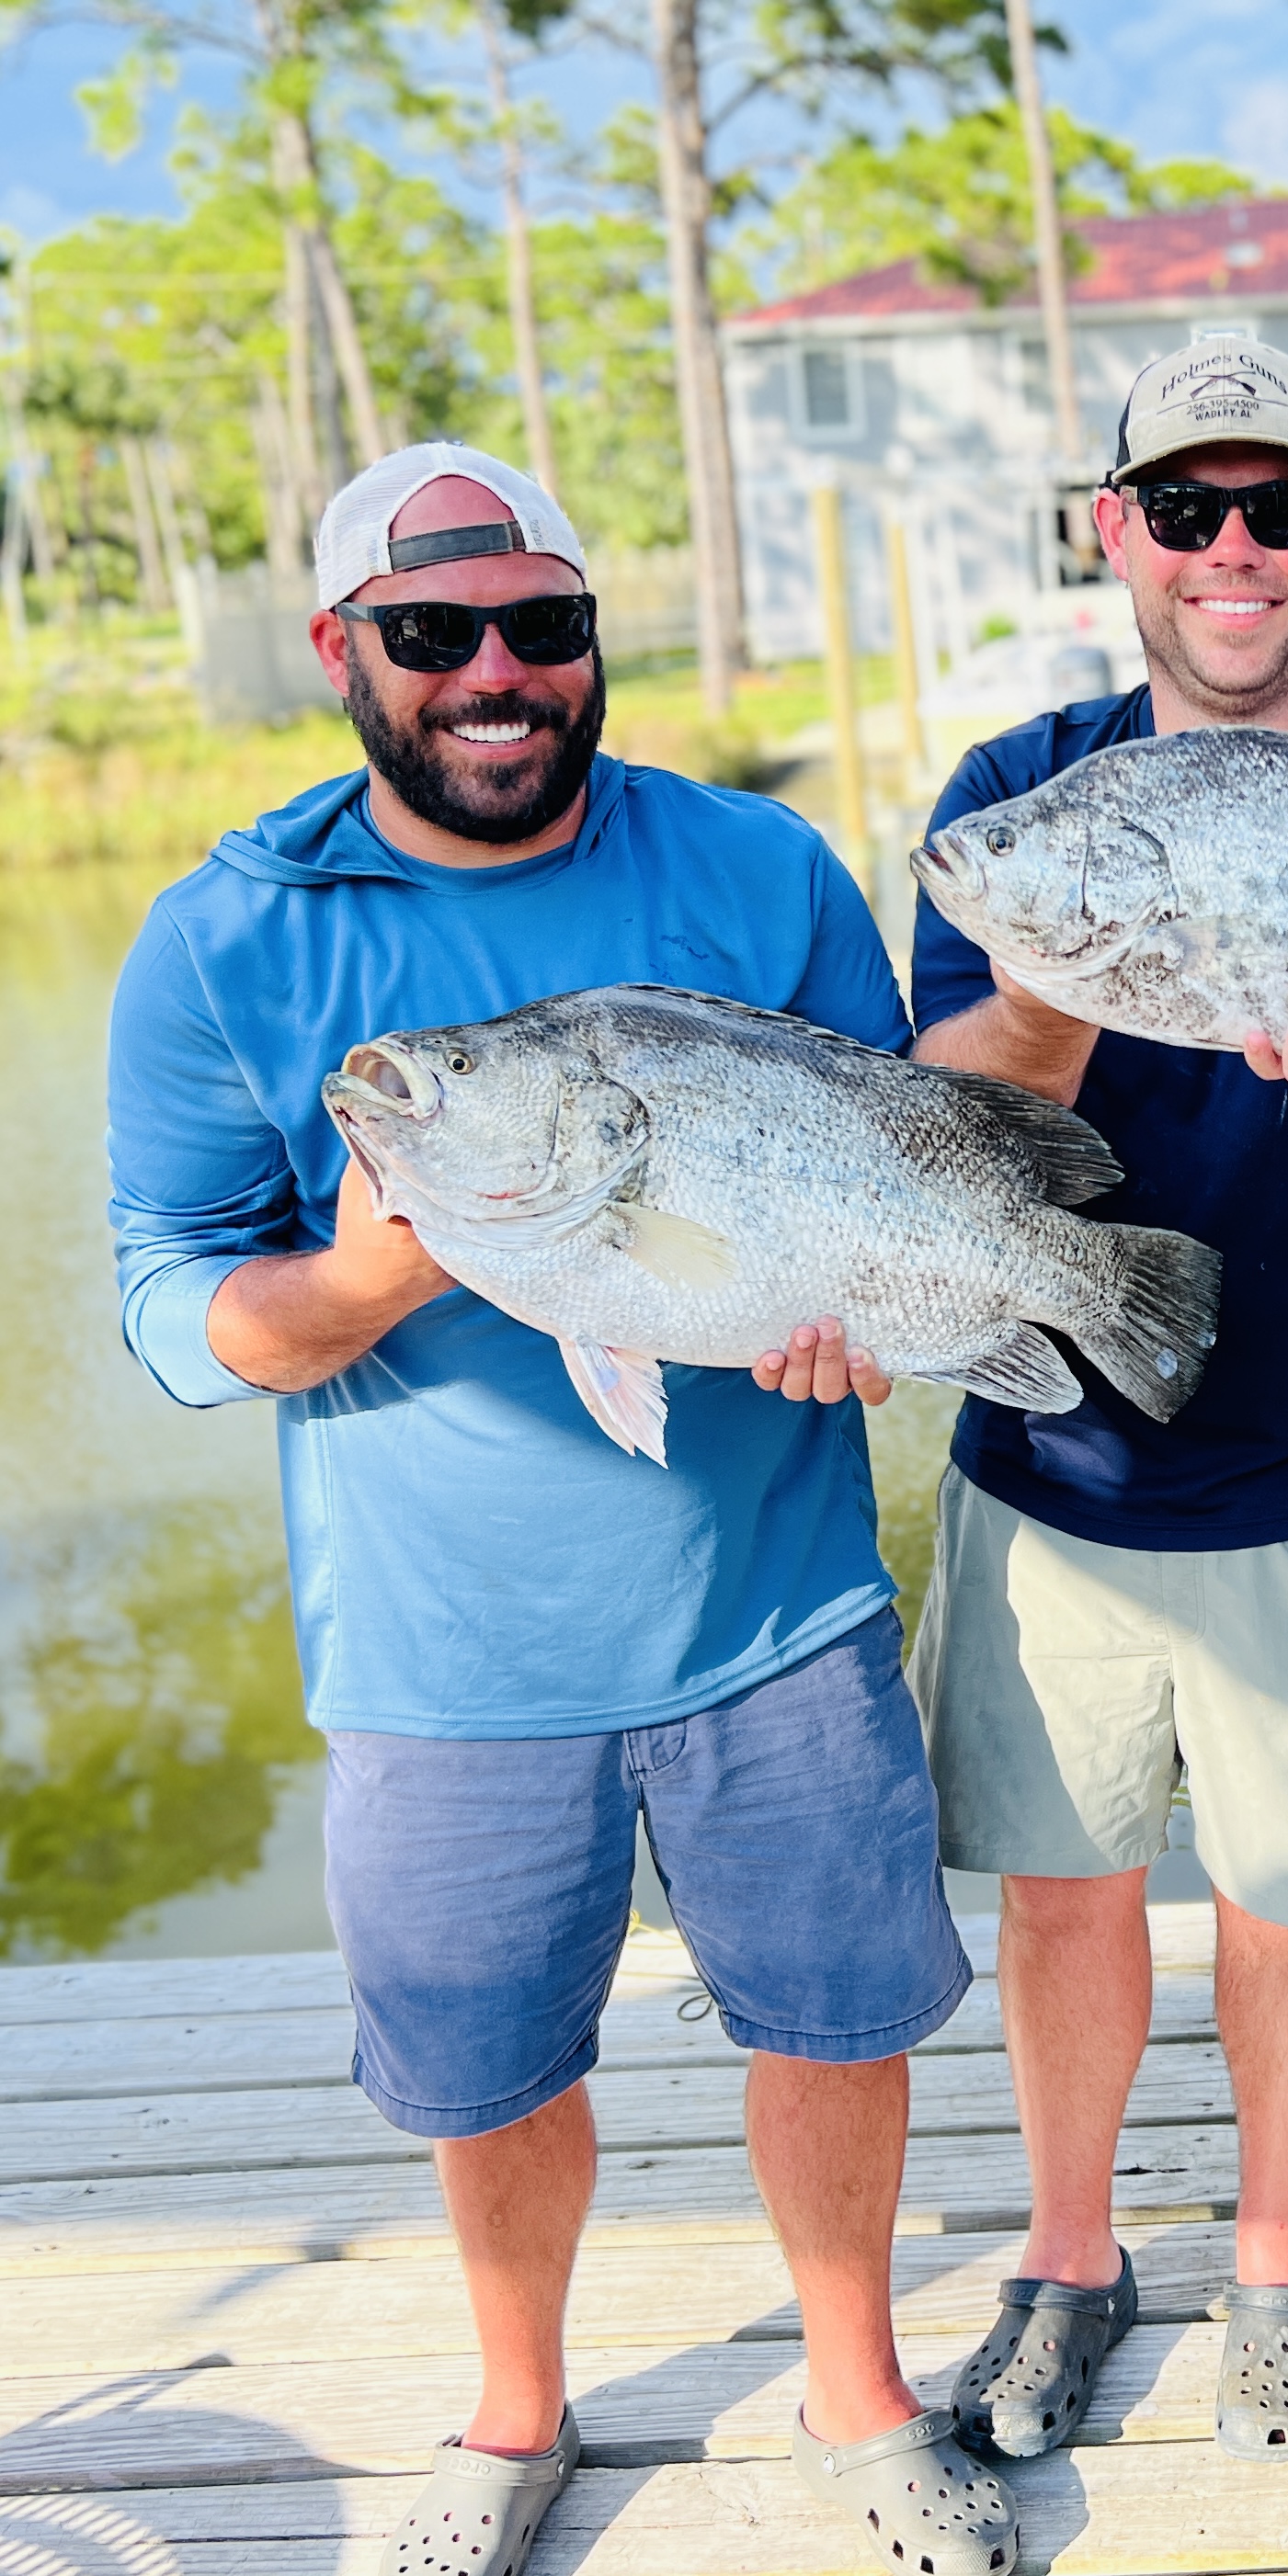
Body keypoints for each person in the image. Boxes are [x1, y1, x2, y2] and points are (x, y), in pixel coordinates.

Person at [105, 445, 1017, 2576]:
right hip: (445, 1656)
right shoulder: (232, 933)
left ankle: (858, 2385)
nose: (498, 672)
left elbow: (875, 1165)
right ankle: (517, 2410)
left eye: (544, 625)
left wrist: (860, 1319)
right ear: (347, 650)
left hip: (776, 1607)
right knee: (490, 2067)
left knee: (832, 2018)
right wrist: (355, 1286)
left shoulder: (759, 865)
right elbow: (165, 1292)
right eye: (435, 635)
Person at [906, 331, 1288, 2464]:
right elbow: (940, 1138)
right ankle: (1068, 2256)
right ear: (1117, 536)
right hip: (1054, 1462)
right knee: (1063, 1894)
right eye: (1185, 508)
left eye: (1275, 507)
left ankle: (1275, 2261)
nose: (1230, 550)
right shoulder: (1016, 798)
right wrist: (1057, 990)